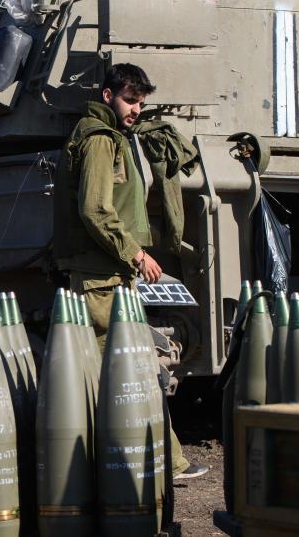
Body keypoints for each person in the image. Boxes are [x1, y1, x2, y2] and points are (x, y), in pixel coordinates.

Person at [53, 62, 208, 481]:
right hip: (101, 278)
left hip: (106, 275)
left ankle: (161, 460)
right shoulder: (101, 140)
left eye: (141, 101)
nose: (137, 108)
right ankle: (162, 463)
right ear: (107, 95)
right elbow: (94, 208)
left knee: (133, 371)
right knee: (132, 372)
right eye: (129, 99)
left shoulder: (111, 137)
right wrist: (137, 254)